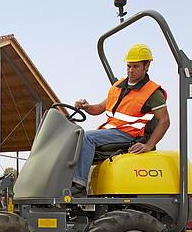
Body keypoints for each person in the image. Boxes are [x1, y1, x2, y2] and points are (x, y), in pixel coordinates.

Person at [71, 43, 170, 196]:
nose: (131, 70)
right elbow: (98, 109)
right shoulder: (118, 86)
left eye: (136, 66)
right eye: (129, 66)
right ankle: (66, 181)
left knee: (86, 137)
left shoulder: (152, 92)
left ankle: (78, 187)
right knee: (73, 137)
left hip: (130, 134)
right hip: (111, 132)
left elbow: (164, 121)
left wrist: (149, 145)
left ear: (147, 66)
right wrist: (86, 106)